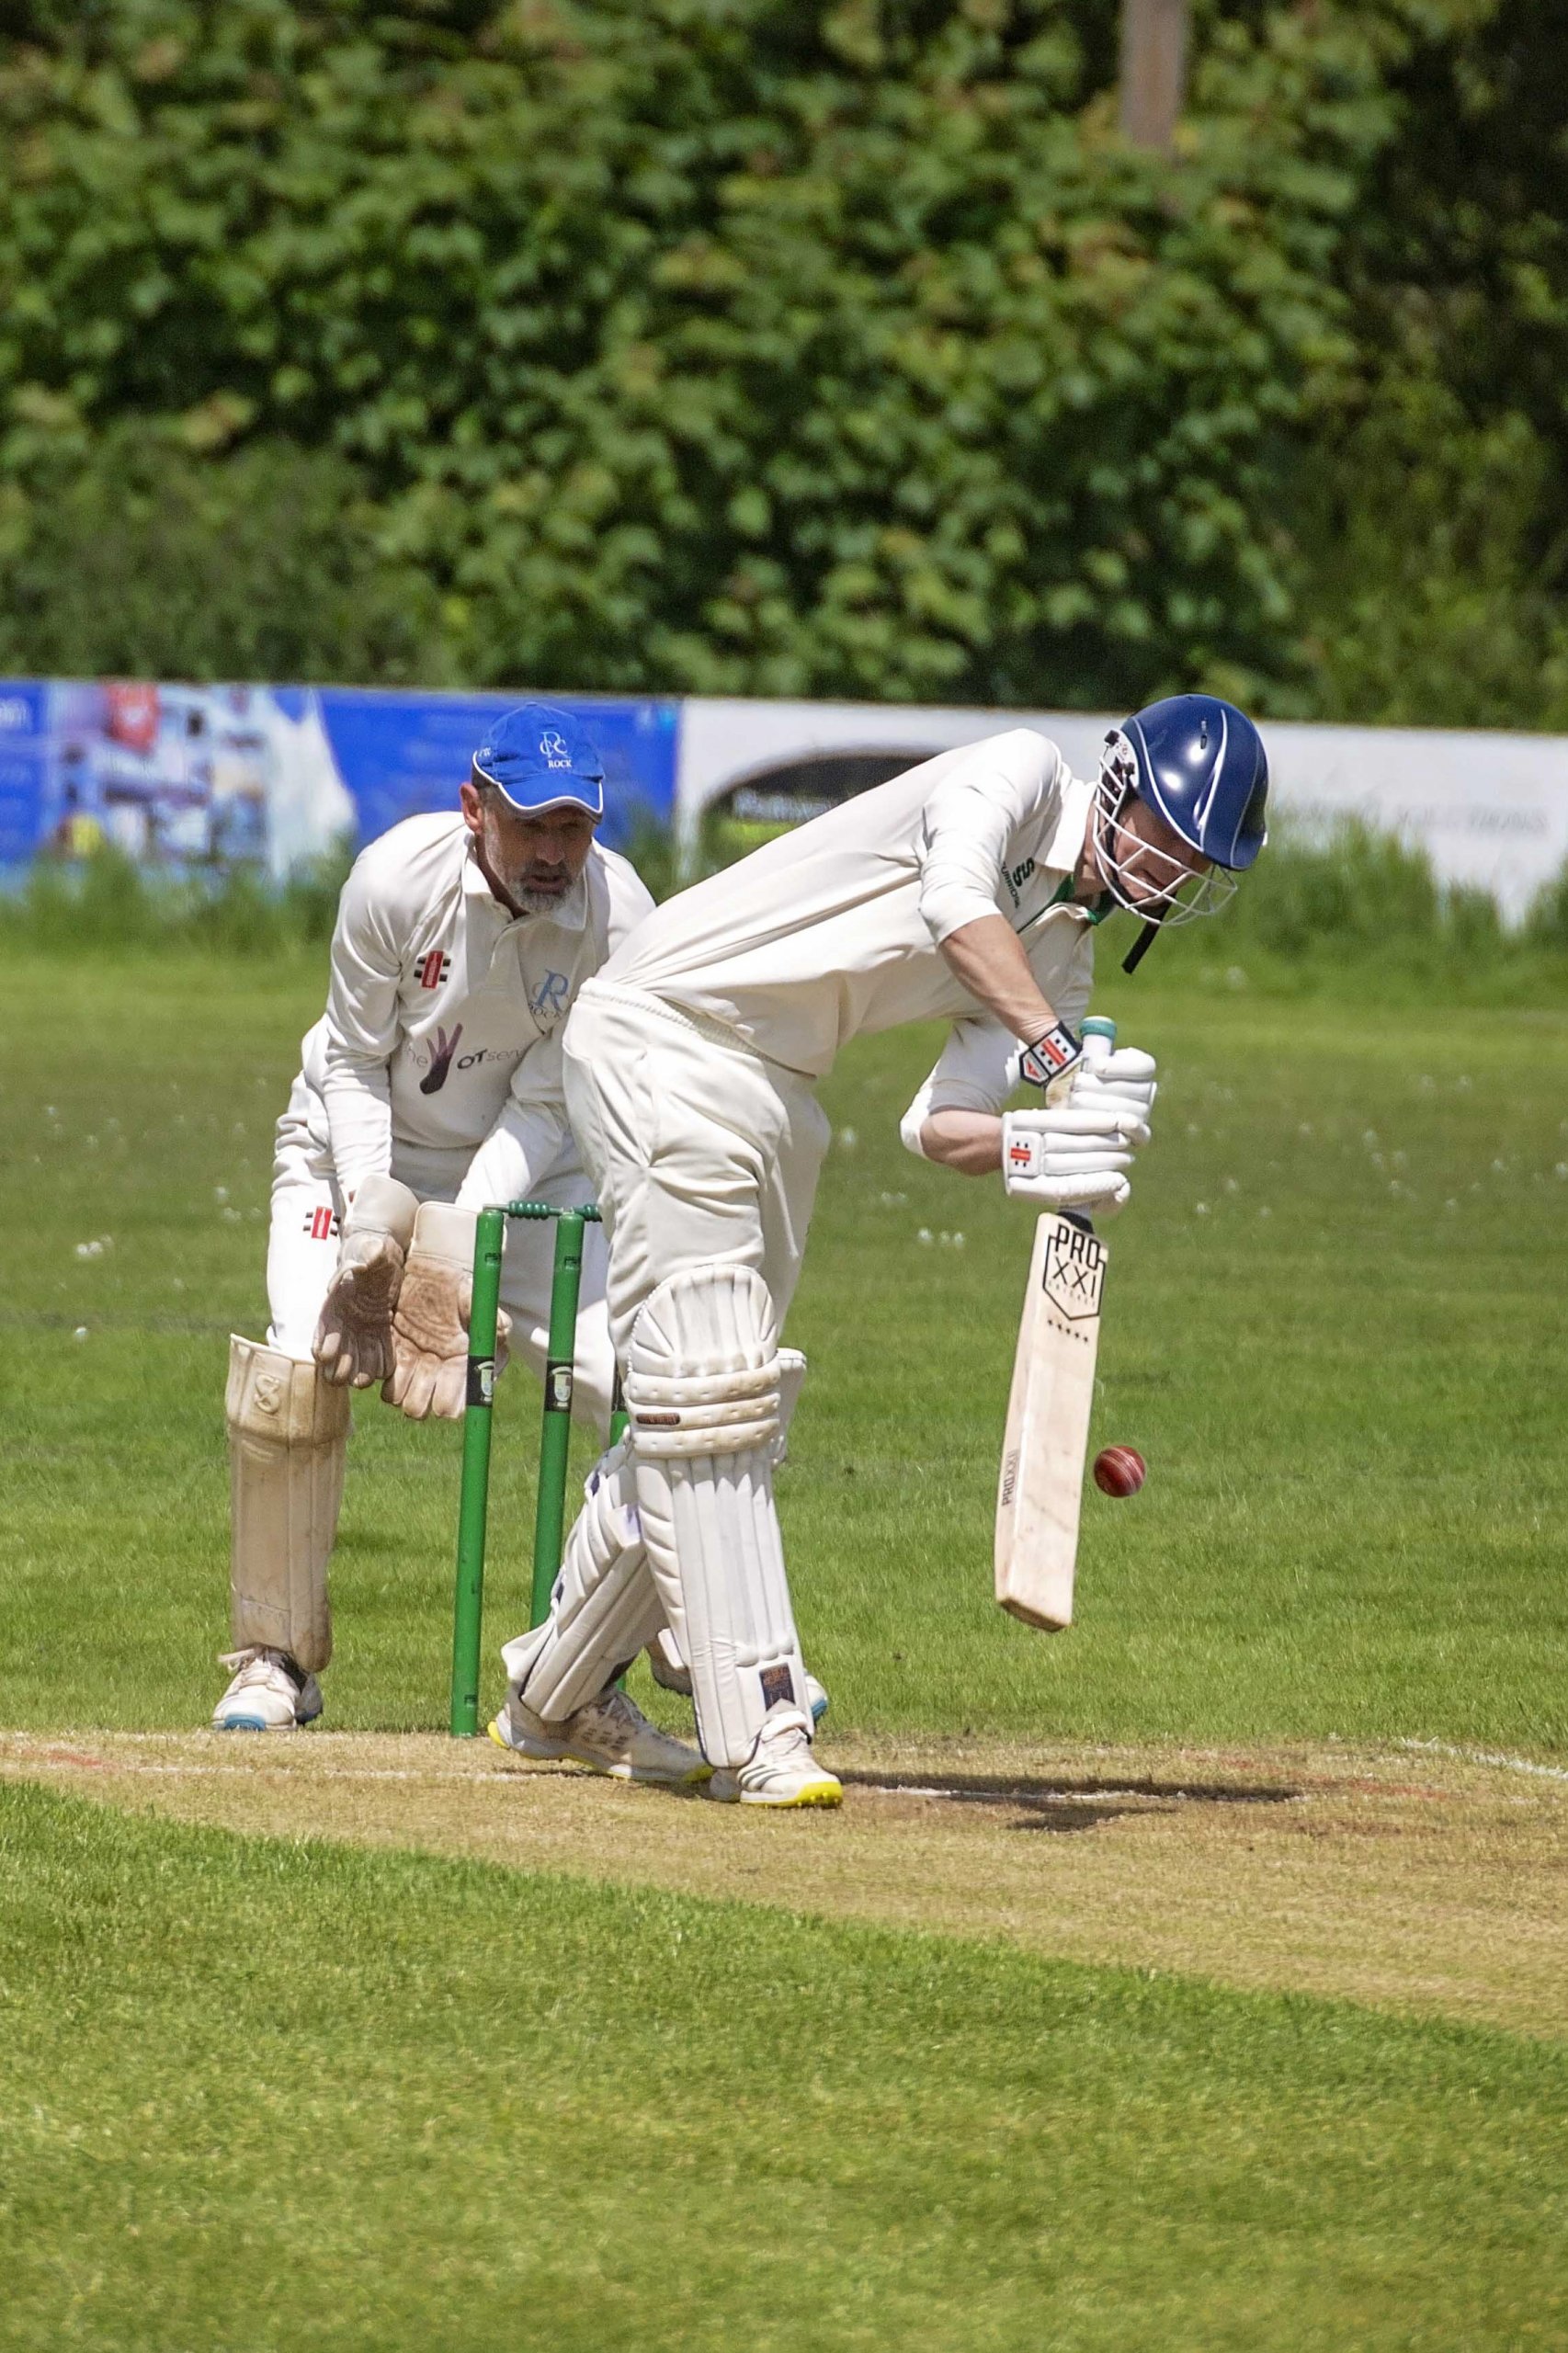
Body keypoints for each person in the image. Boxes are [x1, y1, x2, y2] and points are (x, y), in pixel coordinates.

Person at [492, 694, 1269, 1806]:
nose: (1173, 864)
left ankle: (553, 1695)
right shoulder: (1016, 778)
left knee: (718, 1396)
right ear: (1122, 782)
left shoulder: (1065, 960)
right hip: (659, 1028)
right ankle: (761, 1730)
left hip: (775, 1088)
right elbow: (955, 903)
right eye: (1169, 830)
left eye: (1197, 858)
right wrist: (1053, 1052)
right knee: (708, 1380)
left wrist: (1041, 1142)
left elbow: (936, 1123)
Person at [214, 702, 707, 1786]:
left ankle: (667, 1631)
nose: (553, 854)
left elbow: (551, 1101)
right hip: (351, 1152)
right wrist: (377, 1216)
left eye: (574, 828)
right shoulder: (394, 881)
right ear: (473, 808)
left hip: (523, 1169)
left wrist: (454, 1232)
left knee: (635, 1379)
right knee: (295, 1375)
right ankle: (273, 1657)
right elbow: (349, 1060)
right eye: (531, 825)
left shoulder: (620, 914)